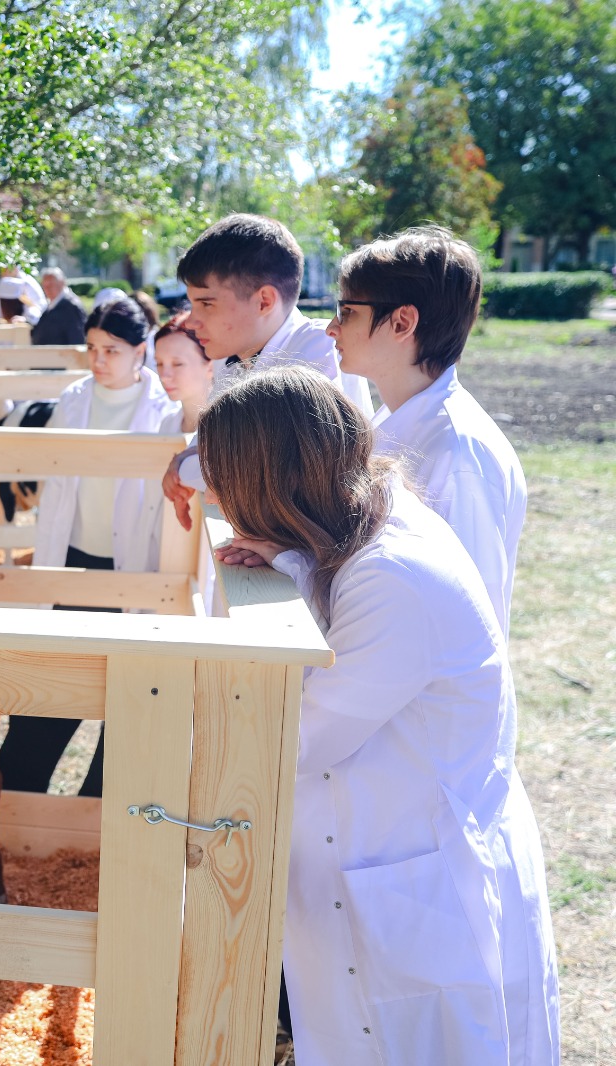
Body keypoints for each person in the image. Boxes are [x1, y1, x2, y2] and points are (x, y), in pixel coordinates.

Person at [205, 367, 557, 1066]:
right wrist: (292, 559)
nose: (213, 494)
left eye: (221, 476)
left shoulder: (392, 576)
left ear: (266, 479)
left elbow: (301, 738)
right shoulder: (370, 523)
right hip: (387, 853)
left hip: (420, 880)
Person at [0, 297, 179, 798]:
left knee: (125, 695)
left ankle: (96, 807)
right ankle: (16, 799)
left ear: (140, 350)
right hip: (71, 562)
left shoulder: (165, 411)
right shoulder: (73, 399)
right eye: (92, 348)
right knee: (47, 693)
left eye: (111, 350)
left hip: (132, 570)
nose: (99, 360)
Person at [330, 226, 525, 636]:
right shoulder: (394, 421)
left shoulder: (459, 451)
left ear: (402, 322)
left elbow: (470, 615)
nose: (332, 328)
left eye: (347, 312)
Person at [159, 214, 373, 530]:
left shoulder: (317, 349)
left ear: (264, 301)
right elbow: (217, 453)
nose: (191, 322)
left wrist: (185, 466)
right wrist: (191, 458)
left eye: (206, 304)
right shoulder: (230, 355)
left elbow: (266, 477)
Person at [154, 312, 214, 433]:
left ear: (210, 366)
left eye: (177, 364)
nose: (164, 376)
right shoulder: (167, 425)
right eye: (159, 364)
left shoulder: (232, 428)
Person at [30, 266, 87, 345]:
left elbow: (77, 339)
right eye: (45, 286)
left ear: (62, 283)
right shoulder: (52, 305)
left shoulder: (71, 307)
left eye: (51, 285)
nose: (47, 289)